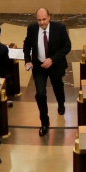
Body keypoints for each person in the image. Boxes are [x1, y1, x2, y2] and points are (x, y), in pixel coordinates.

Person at [23, 8, 72, 136]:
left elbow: (67, 46)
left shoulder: (59, 28)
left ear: (49, 17)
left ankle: (61, 104)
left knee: (58, 88)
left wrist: (52, 59)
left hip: (55, 65)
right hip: (39, 67)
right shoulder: (32, 28)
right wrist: (27, 60)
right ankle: (44, 122)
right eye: (39, 20)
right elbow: (27, 45)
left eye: (44, 19)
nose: (42, 22)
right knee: (40, 94)